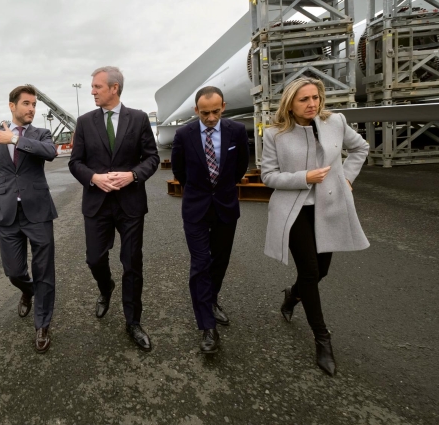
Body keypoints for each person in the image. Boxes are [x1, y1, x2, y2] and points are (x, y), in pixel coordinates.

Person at [261, 77, 369, 376]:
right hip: (293, 211)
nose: (312, 104)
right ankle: (322, 339)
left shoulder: (335, 122)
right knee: (310, 270)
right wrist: (304, 177)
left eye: (315, 98)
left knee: (321, 271)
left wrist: (345, 178)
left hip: (329, 206)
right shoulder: (274, 134)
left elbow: (360, 148)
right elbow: (268, 175)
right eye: (303, 100)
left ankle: (292, 295)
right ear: (290, 104)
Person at [68, 66, 160, 351]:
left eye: (97, 87)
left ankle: (133, 321)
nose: (92, 91)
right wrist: (93, 178)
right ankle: (105, 287)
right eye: (92, 87)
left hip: (130, 204)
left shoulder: (139, 118)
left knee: (132, 263)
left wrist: (132, 175)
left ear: (114, 88)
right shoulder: (84, 122)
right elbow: (75, 162)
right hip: (97, 204)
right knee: (94, 259)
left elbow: (152, 158)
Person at [171, 86, 250, 354]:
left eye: (216, 111)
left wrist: (222, 189)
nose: (211, 117)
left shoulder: (236, 132)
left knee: (220, 260)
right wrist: (200, 191)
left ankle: (212, 299)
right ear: (196, 111)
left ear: (223, 107)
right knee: (201, 263)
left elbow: (240, 166)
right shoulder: (184, 134)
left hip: (226, 206)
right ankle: (207, 326)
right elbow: (180, 170)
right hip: (195, 208)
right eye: (205, 113)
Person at [0, 85, 58, 353]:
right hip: (7, 212)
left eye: (34, 104)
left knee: (44, 271)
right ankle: (28, 290)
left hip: (38, 212)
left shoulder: (41, 134)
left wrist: (14, 139)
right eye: (26, 103)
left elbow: (50, 153)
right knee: (14, 271)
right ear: (12, 106)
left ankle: (42, 324)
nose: (31, 109)